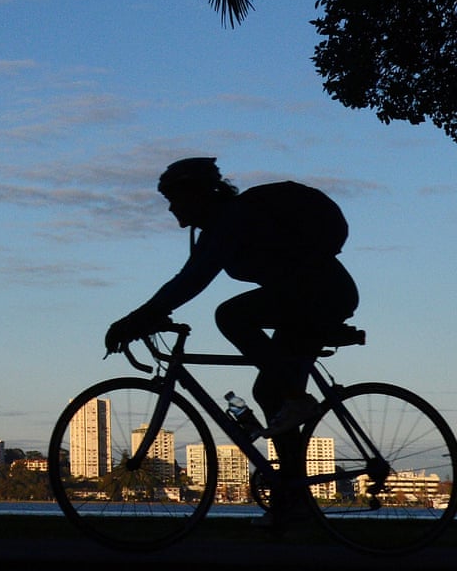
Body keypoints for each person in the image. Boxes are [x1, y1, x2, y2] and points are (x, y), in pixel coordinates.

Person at [105, 157, 359, 523]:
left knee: (231, 315)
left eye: (175, 198)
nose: (171, 207)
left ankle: (296, 403)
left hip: (322, 295)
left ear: (197, 195)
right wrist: (146, 316)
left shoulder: (233, 218)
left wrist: (135, 320)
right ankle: (294, 495)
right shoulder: (218, 227)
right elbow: (188, 276)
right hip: (311, 296)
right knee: (269, 392)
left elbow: (193, 281)